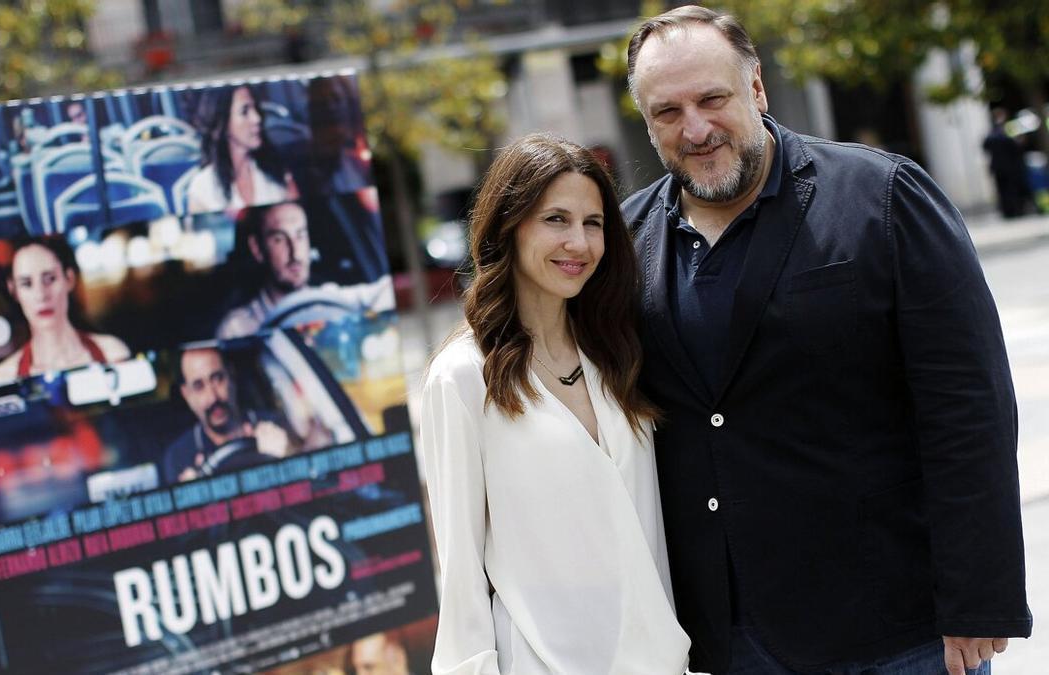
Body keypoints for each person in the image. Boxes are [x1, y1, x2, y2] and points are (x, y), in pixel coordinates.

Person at [621, 6, 1031, 675]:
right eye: (668, 111)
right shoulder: (626, 242)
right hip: (729, 639)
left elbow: (969, 407)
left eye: (712, 99)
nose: (694, 129)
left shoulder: (885, 197)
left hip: (897, 629)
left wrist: (980, 597)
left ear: (756, 89)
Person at [420, 134, 690, 674]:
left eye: (593, 224)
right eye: (556, 220)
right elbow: (461, 572)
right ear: (510, 225)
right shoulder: (463, 377)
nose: (580, 243)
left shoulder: (615, 351)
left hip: (656, 658)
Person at [216, 201, 394, 339]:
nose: (295, 252)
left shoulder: (331, 298)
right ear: (257, 249)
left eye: (300, 235)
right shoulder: (238, 327)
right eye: (279, 239)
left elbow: (385, 290)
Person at [0, 238, 129, 383]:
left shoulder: (112, 353)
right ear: (13, 290)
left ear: (69, 279)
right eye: (26, 284)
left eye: (50, 279)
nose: (41, 295)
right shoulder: (4, 378)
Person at [162, 346, 290, 483]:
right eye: (199, 386)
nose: (212, 397)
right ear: (186, 395)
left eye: (218, 379)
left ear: (231, 375)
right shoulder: (179, 457)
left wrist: (286, 460)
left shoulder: (276, 425)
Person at [187, 84, 299, 215]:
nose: (257, 118)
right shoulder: (202, 189)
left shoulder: (277, 172)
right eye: (244, 111)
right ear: (222, 122)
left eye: (256, 108)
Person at [982, 107, 1032, 219]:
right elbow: (1015, 147)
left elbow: (985, 146)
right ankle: (1013, 211)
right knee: (1010, 190)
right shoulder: (1004, 131)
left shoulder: (992, 133)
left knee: (1004, 190)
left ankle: (1009, 211)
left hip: (999, 168)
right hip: (1008, 168)